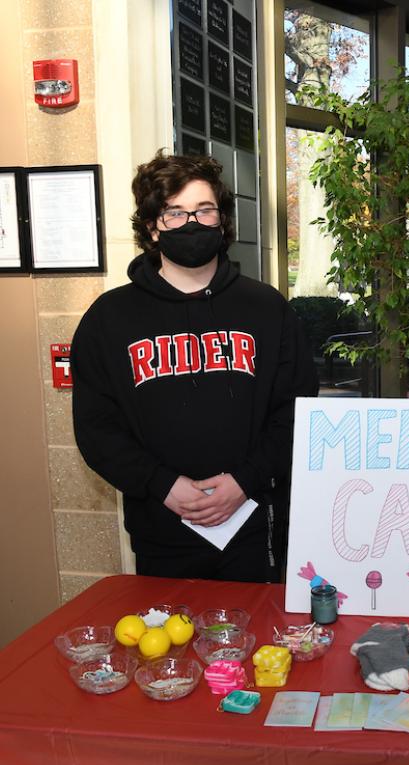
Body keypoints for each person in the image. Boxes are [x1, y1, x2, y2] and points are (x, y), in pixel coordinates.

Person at [71, 151, 318, 582]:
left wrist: (244, 480)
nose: (192, 223)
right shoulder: (108, 319)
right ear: (152, 228)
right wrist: (162, 485)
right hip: (160, 530)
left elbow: (296, 410)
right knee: (168, 644)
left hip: (254, 526)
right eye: (175, 213)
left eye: (205, 210)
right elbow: (97, 428)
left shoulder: (267, 309)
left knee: (260, 643)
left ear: (222, 222)